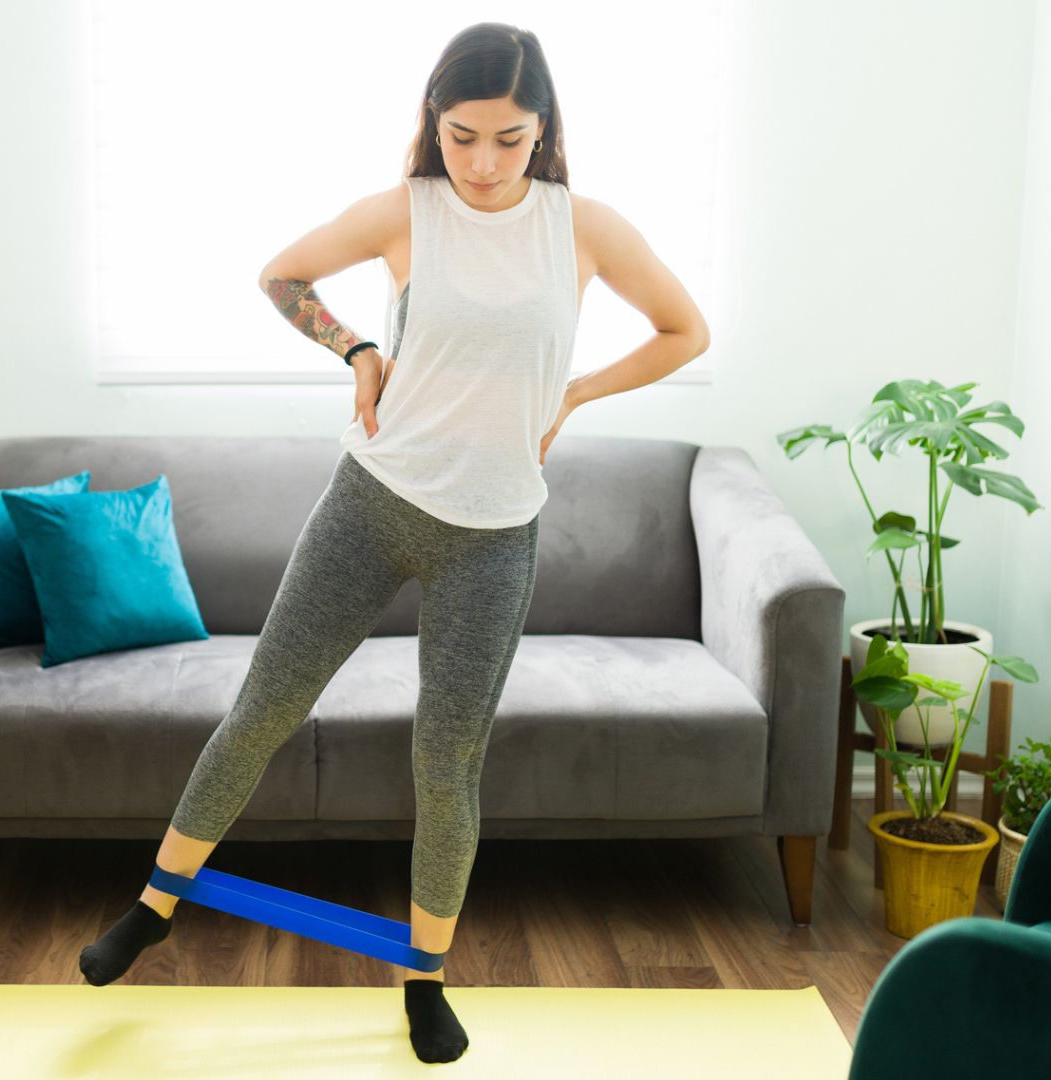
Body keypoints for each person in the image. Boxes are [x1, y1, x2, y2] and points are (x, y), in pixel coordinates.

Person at [78, 20, 710, 1065]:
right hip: (370, 504)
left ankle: (424, 979)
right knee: (262, 710)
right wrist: (359, 349)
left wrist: (577, 392)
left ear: (544, 130)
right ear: (433, 121)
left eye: (509, 139)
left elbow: (686, 330)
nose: (483, 163)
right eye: (462, 136)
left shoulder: (585, 229)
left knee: (446, 762)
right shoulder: (405, 211)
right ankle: (153, 907)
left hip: (493, 537)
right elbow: (281, 276)